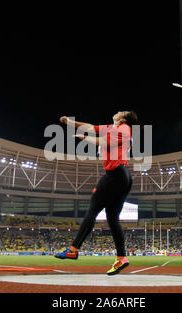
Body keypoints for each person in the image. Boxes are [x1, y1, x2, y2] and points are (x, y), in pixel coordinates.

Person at [55, 111, 137, 275]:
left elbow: (105, 142)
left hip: (116, 174)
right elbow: (91, 127)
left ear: (122, 119)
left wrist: (86, 138)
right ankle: (121, 258)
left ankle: (73, 249)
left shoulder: (124, 128)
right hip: (123, 176)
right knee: (112, 218)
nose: (117, 111)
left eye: (121, 112)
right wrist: (70, 123)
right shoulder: (111, 128)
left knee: (92, 209)